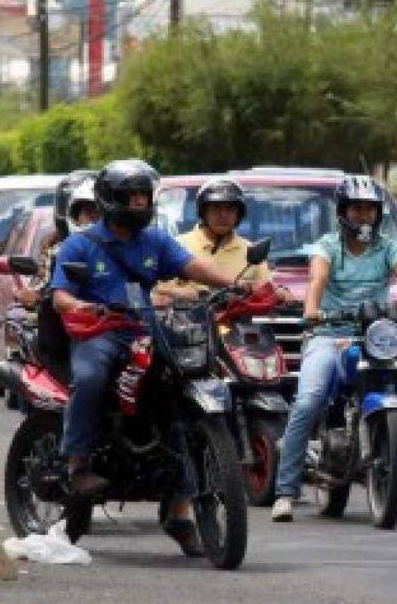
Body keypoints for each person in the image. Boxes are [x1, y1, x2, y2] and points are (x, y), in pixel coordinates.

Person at [49, 159, 258, 555]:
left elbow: (192, 266)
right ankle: (78, 463)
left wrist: (234, 285)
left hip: (146, 329)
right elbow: (60, 295)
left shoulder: (155, 240)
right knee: (91, 377)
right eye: (133, 198)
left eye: (145, 197)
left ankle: (179, 511)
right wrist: (79, 306)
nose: (140, 204)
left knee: (182, 392)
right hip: (101, 333)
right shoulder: (80, 244)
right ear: (111, 200)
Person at [270, 175, 397, 524]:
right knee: (308, 400)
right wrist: (312, 310)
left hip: (377, 338)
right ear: (343, 212)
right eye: (357, 209)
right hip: (328, 334)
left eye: (370, 209)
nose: (364, 216)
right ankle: (286, 492)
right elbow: (317, 280)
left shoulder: (388, 247)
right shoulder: (327, 246)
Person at [152, 177, 285, 305]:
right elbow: (160, 291)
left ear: (239, 214)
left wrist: (279, 293)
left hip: (240, 324)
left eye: (230, 209)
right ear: (203, 212)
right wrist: (198, 294)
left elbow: (268, 290)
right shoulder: (177, 245)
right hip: (187, 325)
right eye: (216, 208)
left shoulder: (251, 250)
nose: (223, 215)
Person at [17, 171, 99, 308]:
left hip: (121, 321)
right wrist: (33, 296)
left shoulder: (128, 247)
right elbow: (41, 286)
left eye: (101, 213)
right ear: (71, 214)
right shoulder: (57, 251)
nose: (96, 220)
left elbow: (139, 288)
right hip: (74, 322)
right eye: (89, 213)